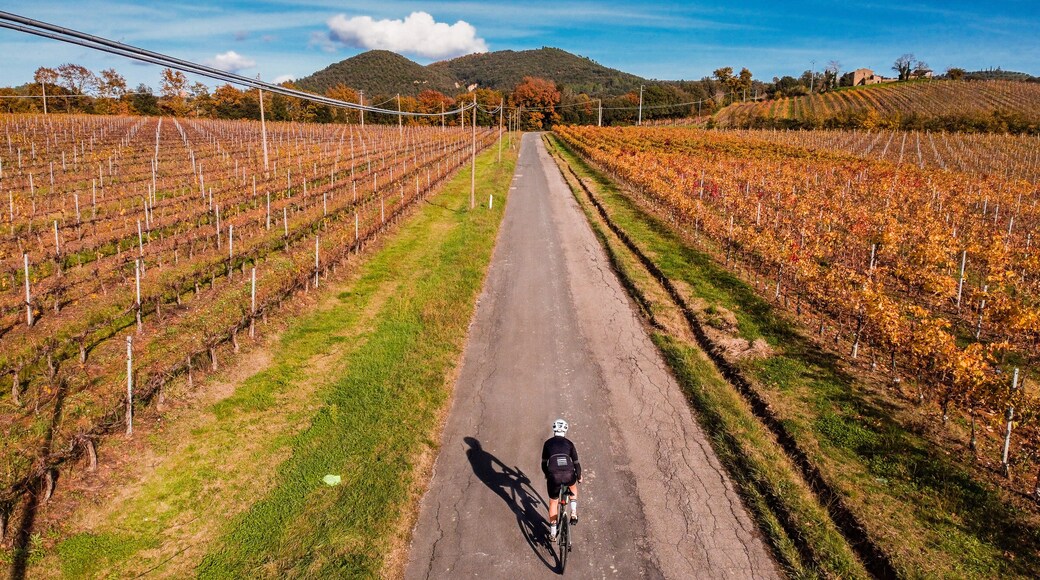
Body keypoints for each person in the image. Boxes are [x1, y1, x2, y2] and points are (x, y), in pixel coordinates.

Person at [541, 418, 581, 541]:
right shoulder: (569, 444)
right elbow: (576, 464)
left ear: (554, 429)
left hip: (554, 475)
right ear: (566, 430)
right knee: (573, 486)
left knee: (553, 502)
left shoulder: (547, 443)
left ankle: (553, 533)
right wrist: (579, 477)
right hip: (569, 473)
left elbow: (543, 464)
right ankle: (573, 512)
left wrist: (547, 475)